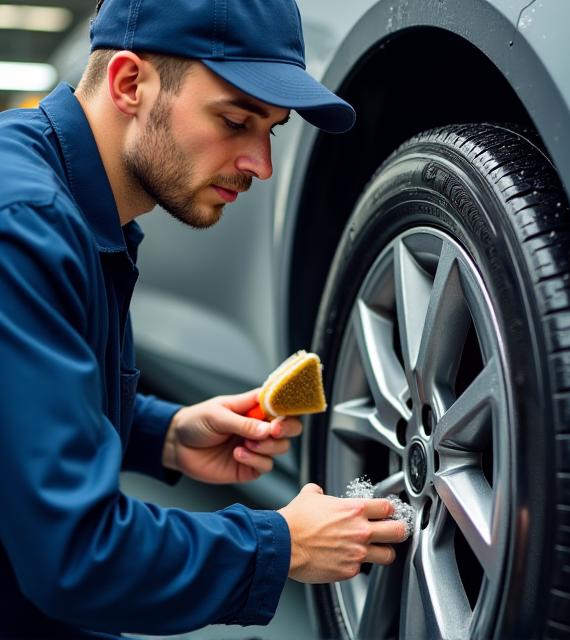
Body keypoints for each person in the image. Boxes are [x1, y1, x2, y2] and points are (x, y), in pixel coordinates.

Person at [0, 0, 408, 638]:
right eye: (235, 119)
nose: (261, 165)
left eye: (269, 129)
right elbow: (74, 558)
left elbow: (19, 411)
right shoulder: (23, 226)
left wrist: (164, 433)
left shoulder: (60, 200)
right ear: (130, 83)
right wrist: (282, 545)